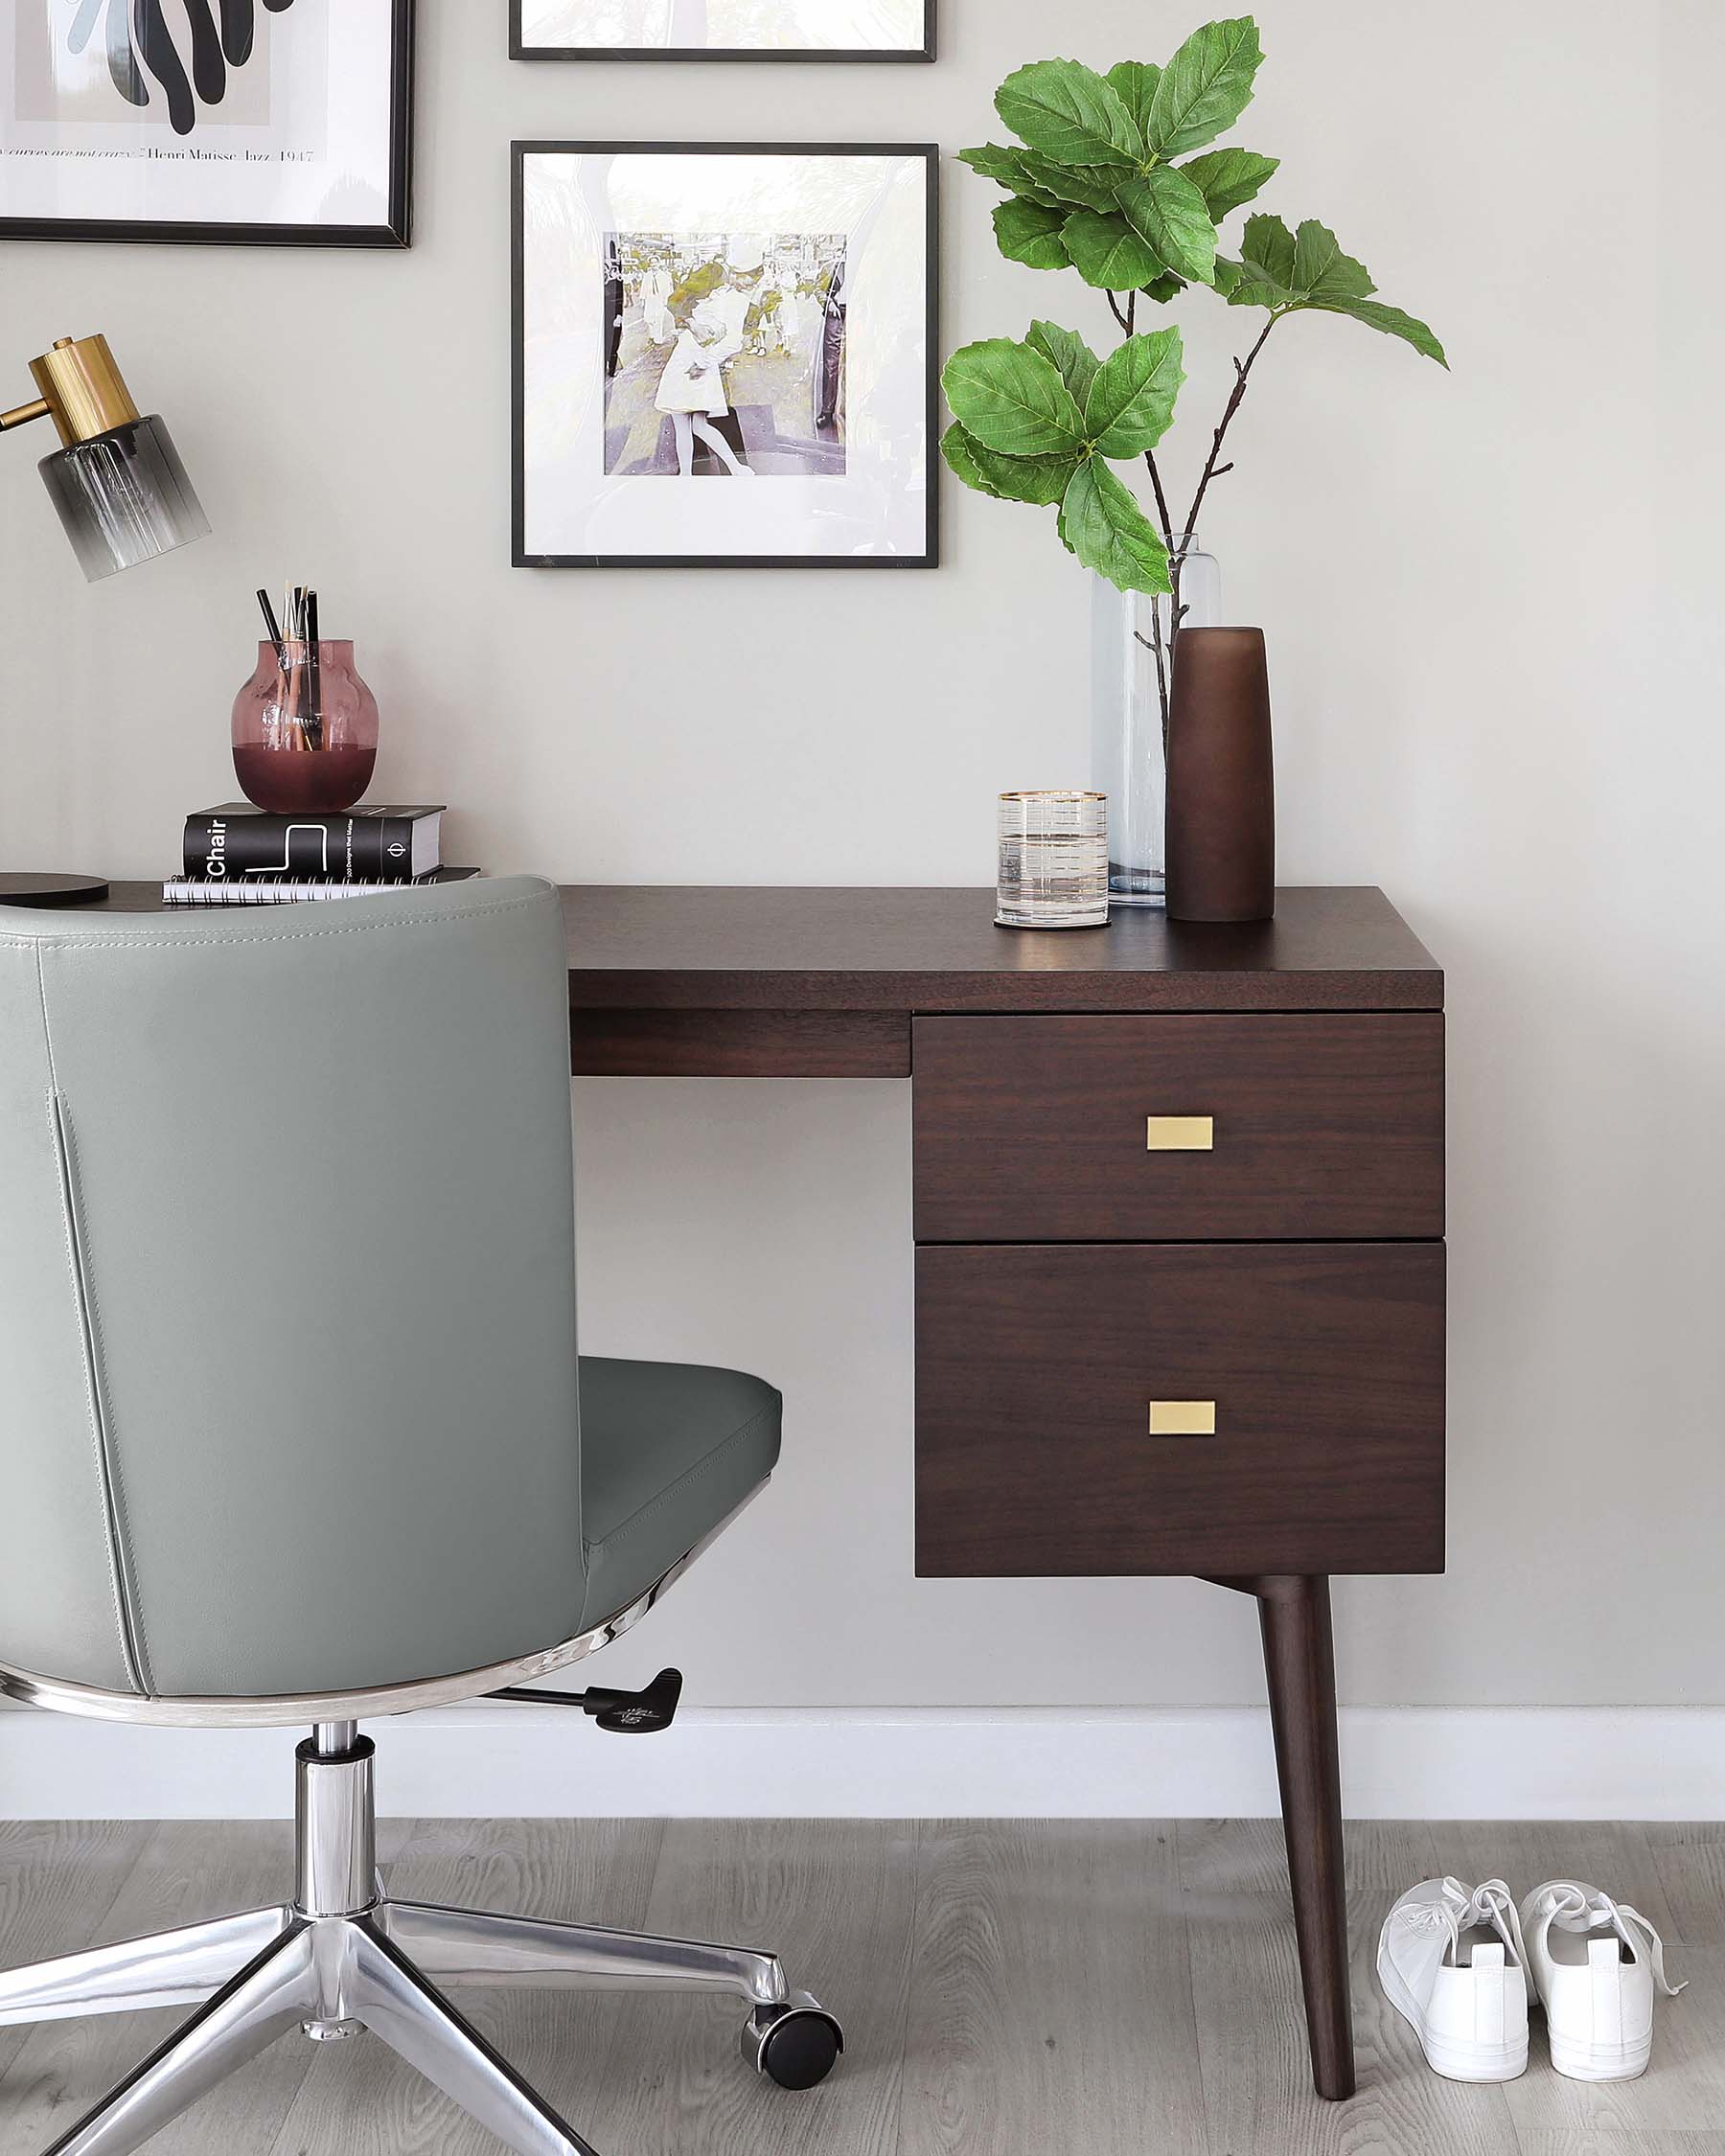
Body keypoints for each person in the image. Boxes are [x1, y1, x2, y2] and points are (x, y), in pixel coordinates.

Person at [654, 294, 753, 477]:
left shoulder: (699, 313)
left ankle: (688, 474)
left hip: (684, 363)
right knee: (698, 425)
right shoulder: (719, 310)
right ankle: (734, 467)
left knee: (685, 426)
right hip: (696, 365)